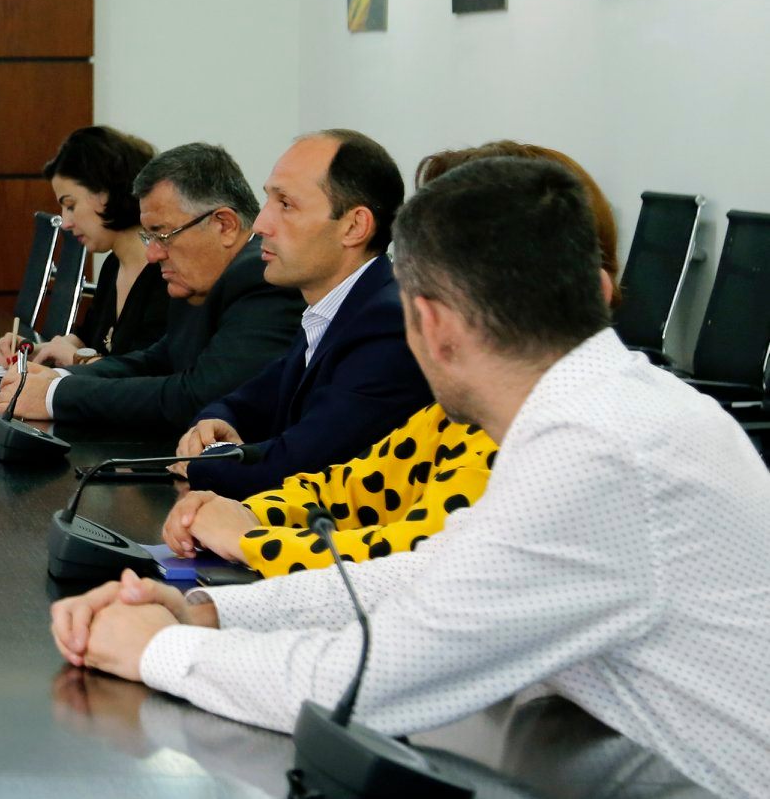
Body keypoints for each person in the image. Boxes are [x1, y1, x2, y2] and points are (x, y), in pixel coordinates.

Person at [49, 157, 770, 798]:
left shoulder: (595, 451)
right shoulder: (607, 404)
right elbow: (435, 572)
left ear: (428, 322)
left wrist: (151, 649)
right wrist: (208, 611)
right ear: (597, 288)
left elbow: (363, 685)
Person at [163, 141, 618, 573]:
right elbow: (345, 488)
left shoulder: (565, 437)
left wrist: (248, 540)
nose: (423, 310)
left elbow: (416, 567)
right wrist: (246, 514)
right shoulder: (456, 416)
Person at [160, 130, 428, 495]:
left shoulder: (387, 326)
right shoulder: (334, 309)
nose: (260, 225)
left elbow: (297, 468)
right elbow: (242, 404)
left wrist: (203, 461)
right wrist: (212, 427)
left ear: (354, 226)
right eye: (269, 200)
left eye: (285, 204)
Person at [0, 143, 303, 429]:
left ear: (224, 225)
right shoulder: (196, 277)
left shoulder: (263, 279)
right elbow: (157, 361)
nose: (153, 254)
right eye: (149, 237)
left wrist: (55, 396)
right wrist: (58, 377)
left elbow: (200, 397)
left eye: (162, 235)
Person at [0, 126, 169, 368]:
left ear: (106, 193)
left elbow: (150, 376)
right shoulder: (114, 264)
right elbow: (89, 339)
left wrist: (76, 359)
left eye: (71, 205)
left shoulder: (168, 274)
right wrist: (37, 350)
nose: (65, 222)